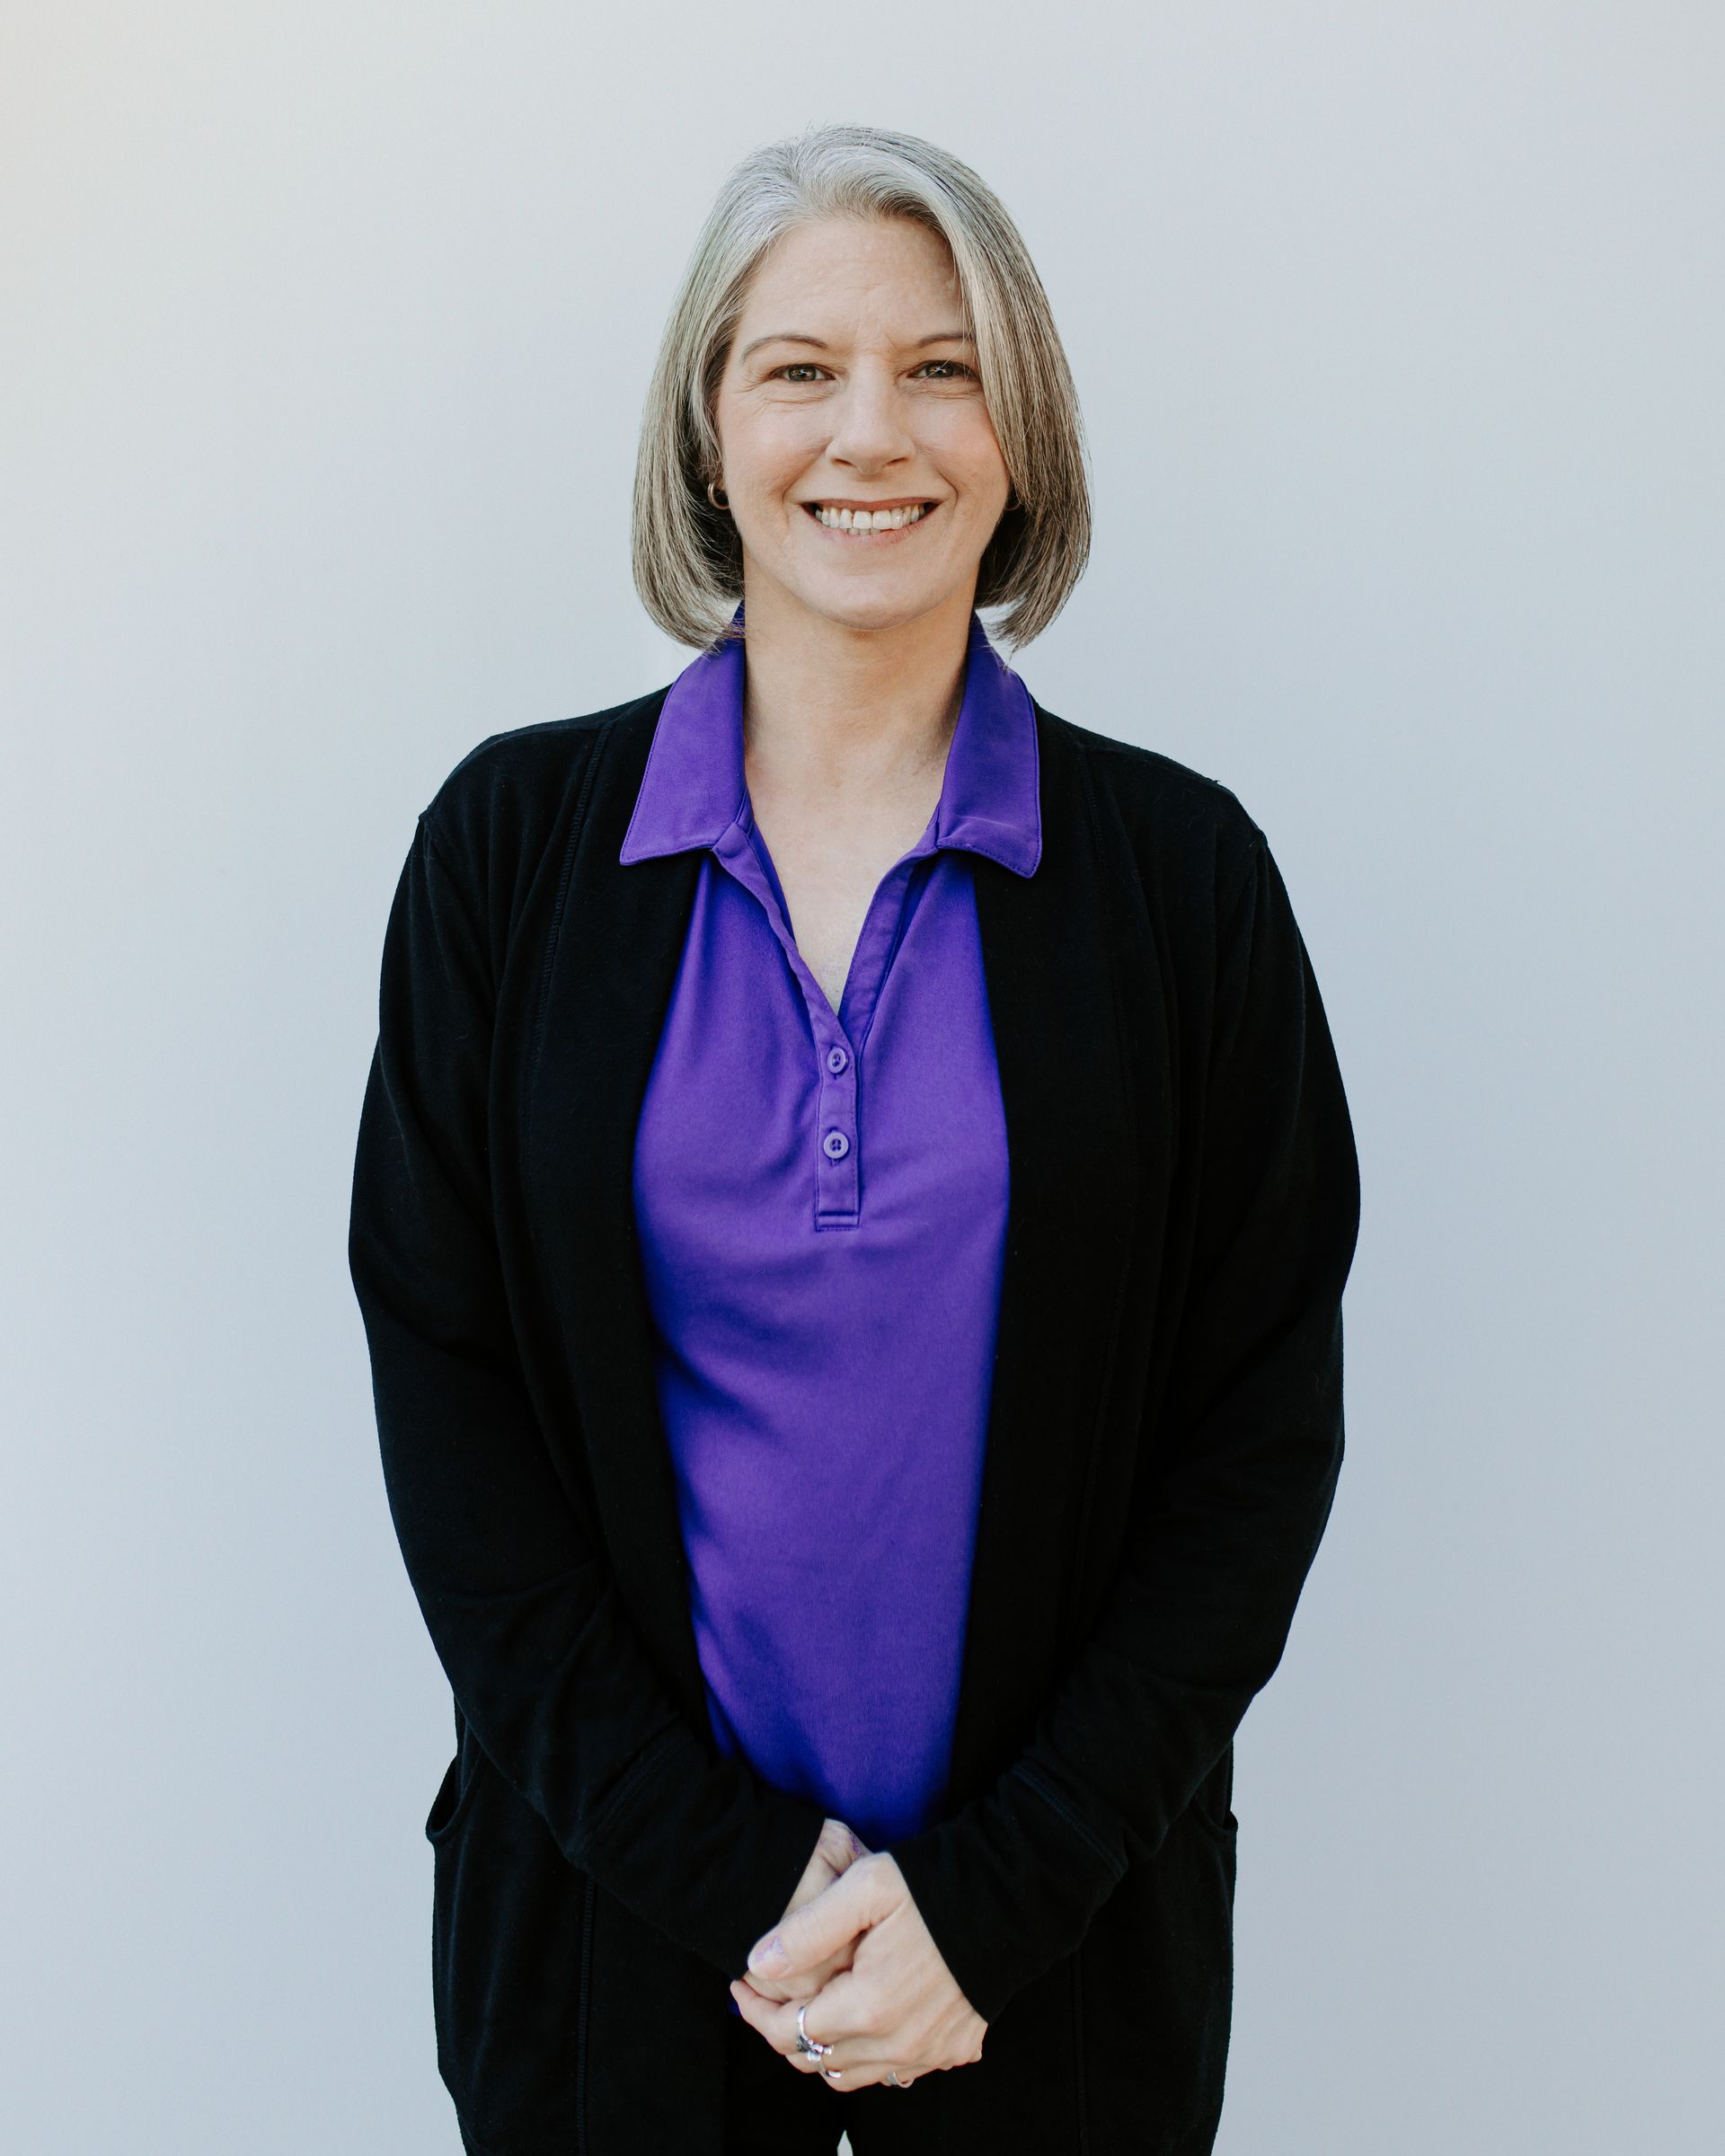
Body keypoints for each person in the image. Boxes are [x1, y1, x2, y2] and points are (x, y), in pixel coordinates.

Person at [348, 121, 1360, 2156]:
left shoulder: (1180, 883)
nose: (869, 431)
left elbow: (1254, 1448)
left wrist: (989, 1908)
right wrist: (731, 1891)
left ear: (1020, 429)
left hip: (1046, 1975)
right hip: (609, 1961)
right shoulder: (507, 861)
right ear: (708, 431)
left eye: (943, 365)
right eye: (798, 367)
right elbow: (456, 1429)